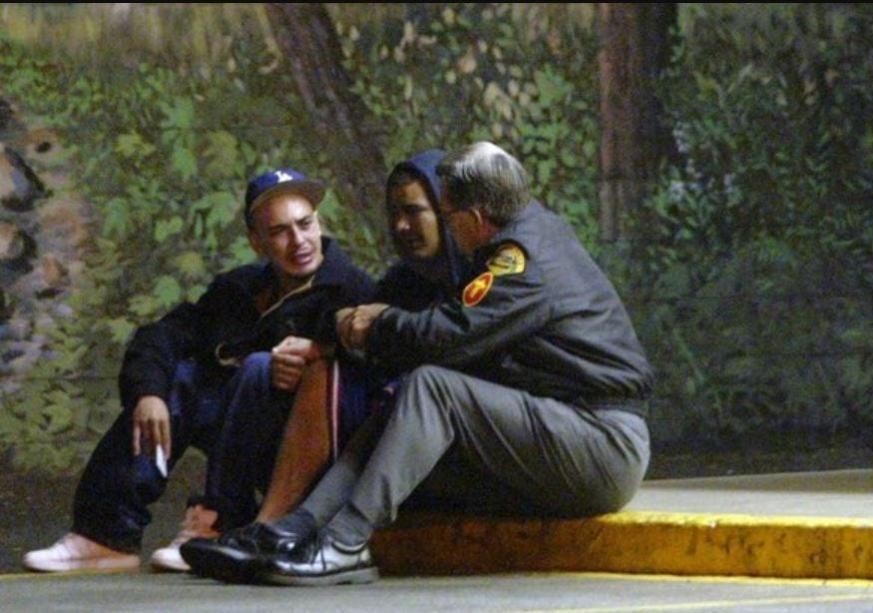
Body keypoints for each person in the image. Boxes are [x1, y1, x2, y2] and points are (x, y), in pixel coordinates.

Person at [187, 141, 654, 586]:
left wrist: (378, 325)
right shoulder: (526, 236)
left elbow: (452, 336)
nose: (444, 228)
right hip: (560, 432)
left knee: (433, 385)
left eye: (445, 215)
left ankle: (344, 544)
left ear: (472, 218)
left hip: (600, 442)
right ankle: (294, 529)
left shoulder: (522, 260)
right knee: (401, 405)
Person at [22, 168, 376, 572]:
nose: (299, 242)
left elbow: (376, 369)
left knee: (257, 369)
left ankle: (220, 519)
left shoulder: (353, 291)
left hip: (306, 454)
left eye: (305, 224)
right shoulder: (238, 289)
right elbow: (163, 335)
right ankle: (105, 536)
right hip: (235, 432)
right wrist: (148, 394)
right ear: (256, 242)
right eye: (279, 231)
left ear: (320, 224)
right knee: (173, 381)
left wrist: (318, 354)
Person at [179, 149, 470, 581]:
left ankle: (267, 528)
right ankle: (225, 519)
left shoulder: (481, 276)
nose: (401, 226)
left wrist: (328, 350)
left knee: (324, 371)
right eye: (394, 214)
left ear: (448, 212)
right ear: (256, 241)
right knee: (230, 371)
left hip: (443, 436)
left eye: (413, 212)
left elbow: (444, 353)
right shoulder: (398, 282)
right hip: (381, 429)